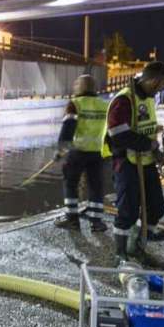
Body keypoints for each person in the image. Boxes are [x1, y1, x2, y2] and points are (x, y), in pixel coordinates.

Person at [105, 61, 164, 261]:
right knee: (128, 210)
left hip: (147, 161)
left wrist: (156, 149)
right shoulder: (125, 100)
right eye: (163, 84)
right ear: (152, 81)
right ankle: (121, 252)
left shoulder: (148, 98)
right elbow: (117, 135)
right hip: (127, 161)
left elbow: (147, 129)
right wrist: (147, 145)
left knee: (156, 207)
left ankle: (138, 245)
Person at [54, 73, 109, 232]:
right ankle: (96, 222)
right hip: (97, 153)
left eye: (77, 84)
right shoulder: (104, 105)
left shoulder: (75, 104)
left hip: (77, 152)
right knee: (96, 186)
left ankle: (72, 220)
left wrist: (60, 151)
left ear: (80, 87)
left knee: (71, 184)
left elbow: (68, 129)